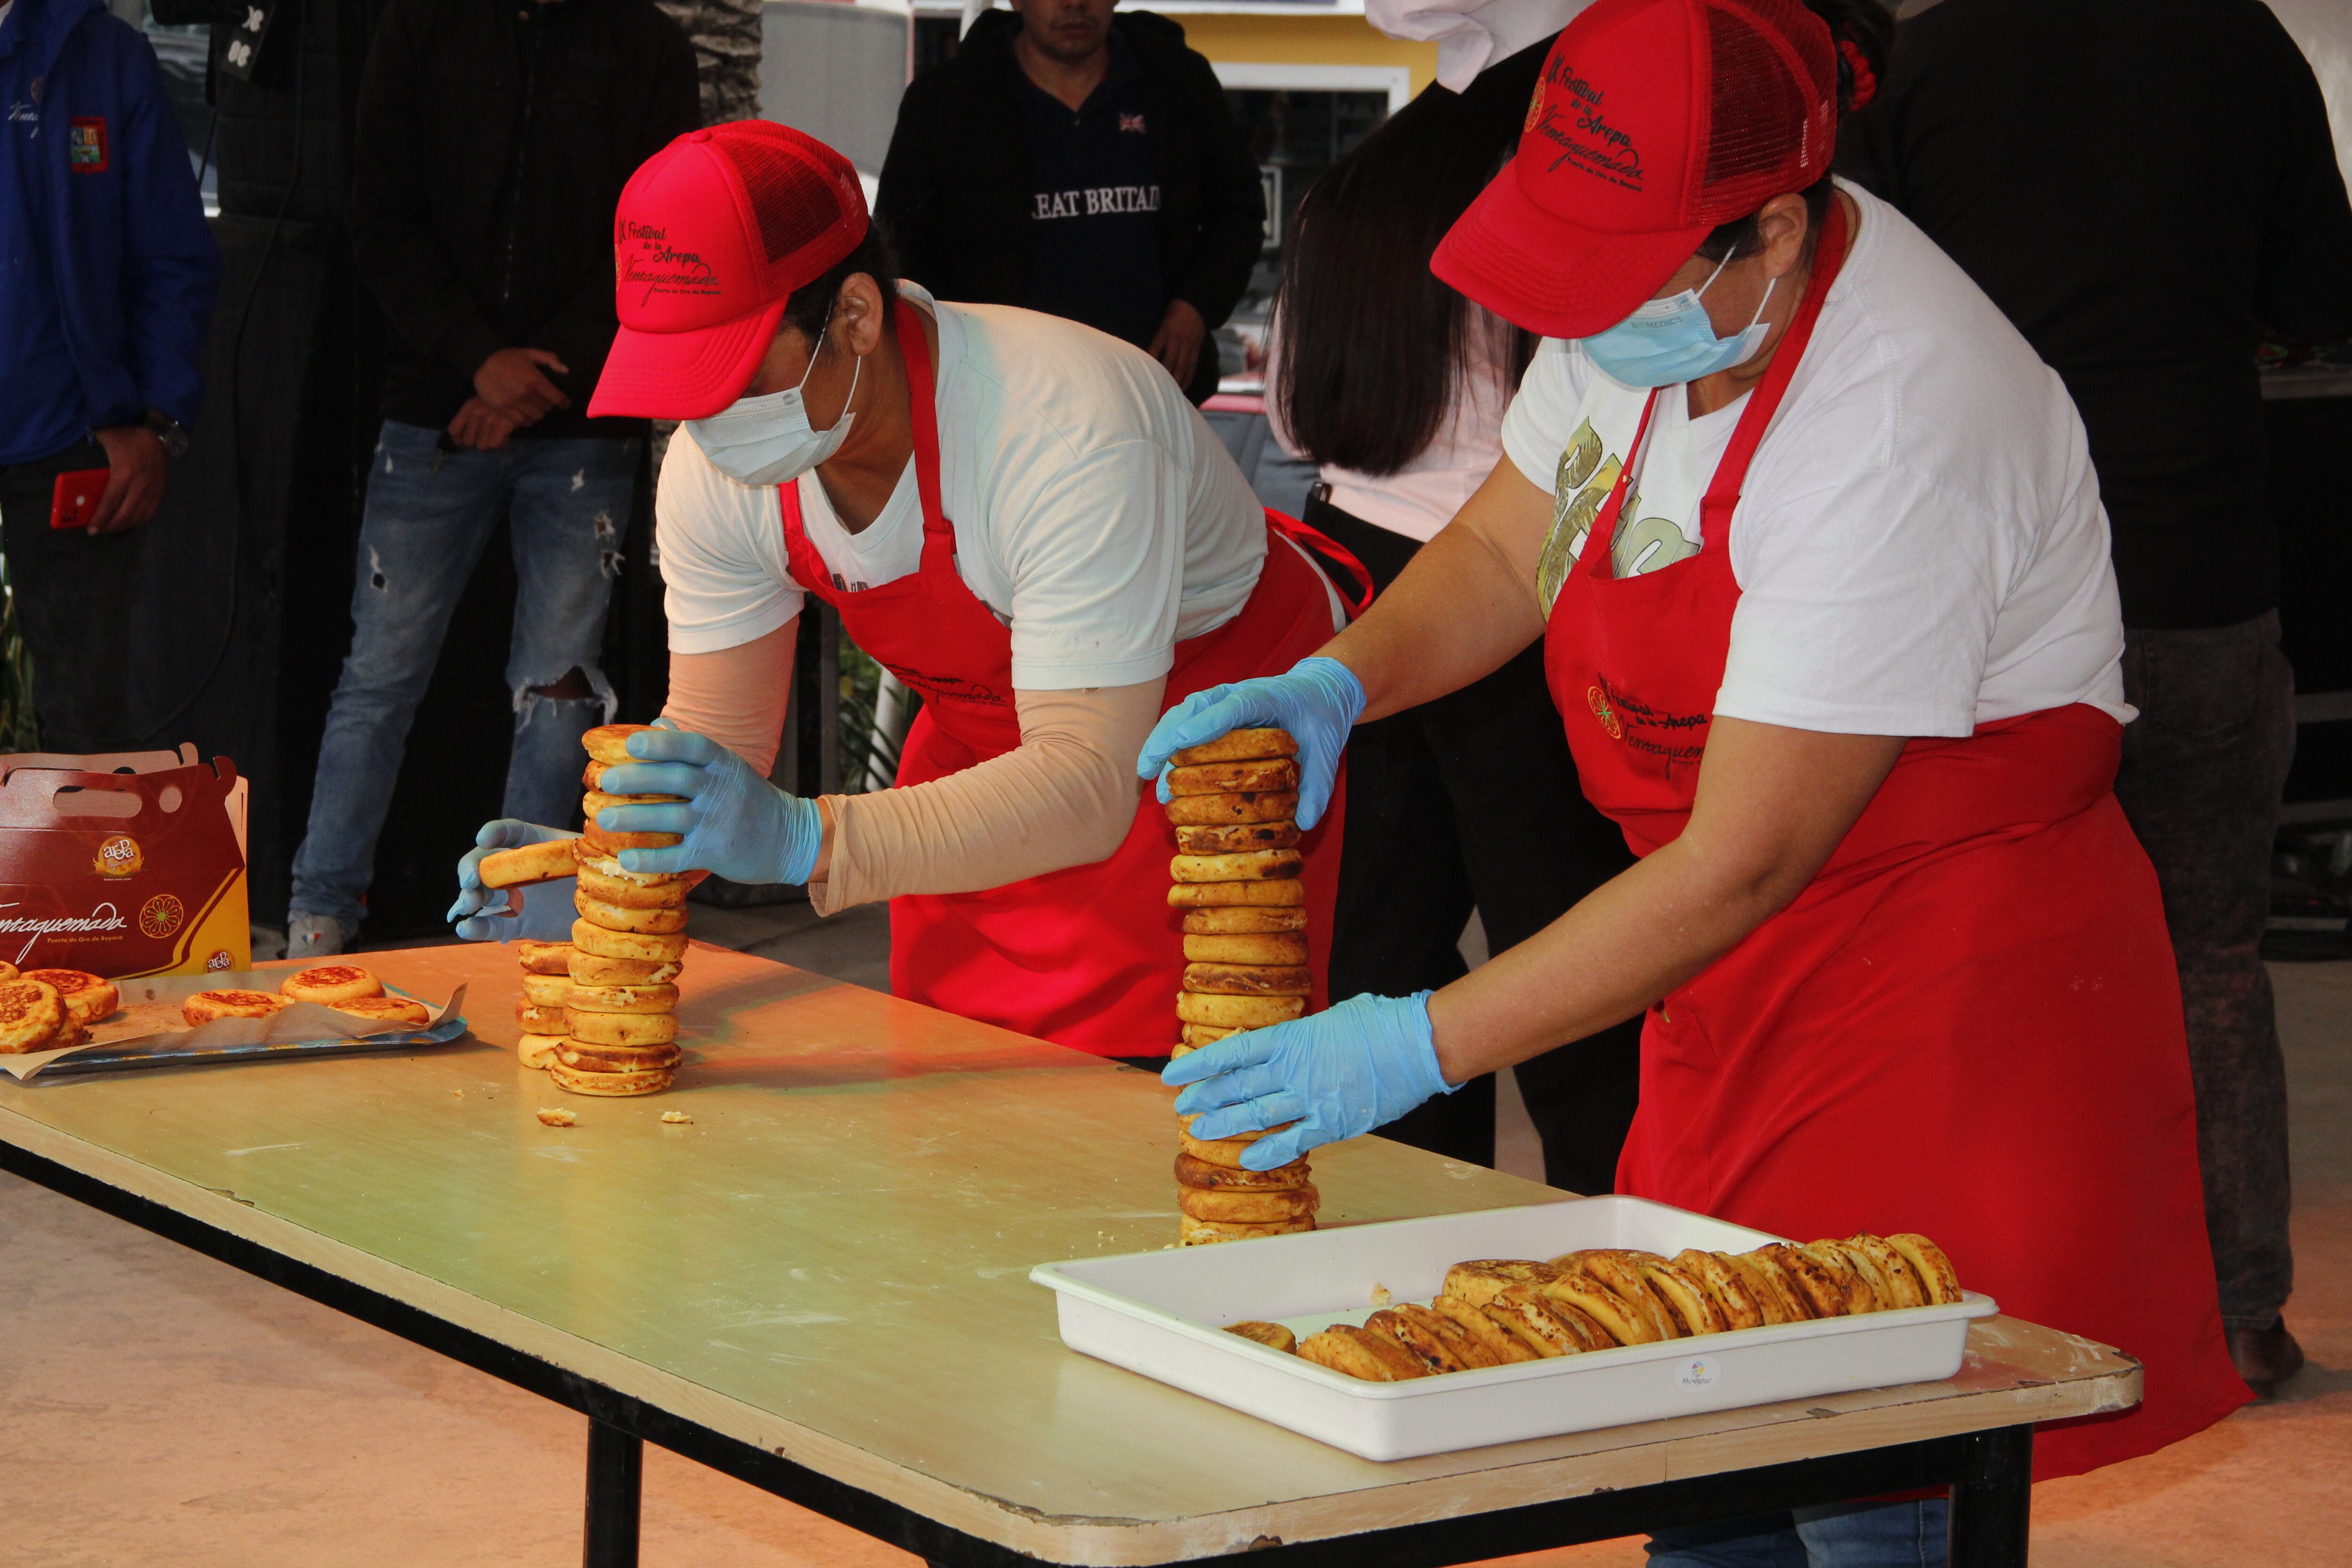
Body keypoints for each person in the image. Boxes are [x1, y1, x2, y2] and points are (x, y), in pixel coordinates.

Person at [1142, 0, 2250, 1557]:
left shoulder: (1896, 415)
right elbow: (1516, 538)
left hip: (1936, 1003)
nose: (1580, 331)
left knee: (1874, 1488)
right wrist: (1344, 677)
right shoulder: (1648, 304)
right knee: (1700, 1460)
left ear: (1774, 234)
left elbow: (1744, 859)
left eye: (1614, 288)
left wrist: (1415, 1042)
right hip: (1726, 983)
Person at [448, 121, 1354, 1058]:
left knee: (1160, 1126)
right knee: (940, 1085)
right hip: (982, 748)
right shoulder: (717, 467)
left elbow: (1086, 784)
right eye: (676, 378)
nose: (700, 416)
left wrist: (807, 837)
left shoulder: (1060, 432)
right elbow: (721, 731)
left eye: (726, 371)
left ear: (855, 317)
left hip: (1195, 750)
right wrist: (620, 866)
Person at [1836, 0, 2352, 1405]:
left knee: (1964, 951)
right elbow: (2325, 291)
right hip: (2192, 561)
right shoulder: (2237, 41)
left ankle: (1990, 1296)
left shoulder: (1937, 57)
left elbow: (1848, 293)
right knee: (2208, 956)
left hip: (1984, 591)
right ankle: (2237, 1311)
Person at [1263, 42, 1642, 1191]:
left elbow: (1290, 411)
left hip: (1353, 579)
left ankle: (1409, 1210)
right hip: (1501, 582)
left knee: (1379, 944)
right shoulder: (1541, 187)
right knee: (1565, 944)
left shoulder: (1354, 189)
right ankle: (1613, 1215)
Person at [285, 0, 699, 957]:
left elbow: (658, 243)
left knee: (556, 691)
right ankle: (318, 917)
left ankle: (518, 929)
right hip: (437, 405)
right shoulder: (421, 26)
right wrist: (477, 360)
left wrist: (530, 375)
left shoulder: (646, 46)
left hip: (586, 411)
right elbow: (381, 218)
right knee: (379, 675)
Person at [0, 0, 218, 751]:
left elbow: (170, 256)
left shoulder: (105, 56)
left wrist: (155, 420)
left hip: (74, 442)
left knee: (83, 740)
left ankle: (66, 874)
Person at [876, 0, 1263, 405]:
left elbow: (1239, 211)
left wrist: (1196, 307)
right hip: (1005, 409)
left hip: (1157, 397)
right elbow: (899, 251)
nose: (1075, 4)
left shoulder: (1177, 83)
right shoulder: (947, 102)